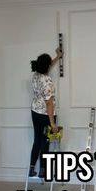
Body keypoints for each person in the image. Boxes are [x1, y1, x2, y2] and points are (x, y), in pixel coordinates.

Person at [29, 48, 62, 177]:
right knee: (45, 142)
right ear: (47, 66)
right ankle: (43, 170)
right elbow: (49, 103)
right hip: (45, 115)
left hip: (35, 112)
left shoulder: (36, 75)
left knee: (37, 140)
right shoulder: (48, 82)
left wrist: (57, 57)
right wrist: (52, 123)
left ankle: (31, 168)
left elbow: (46, 65)